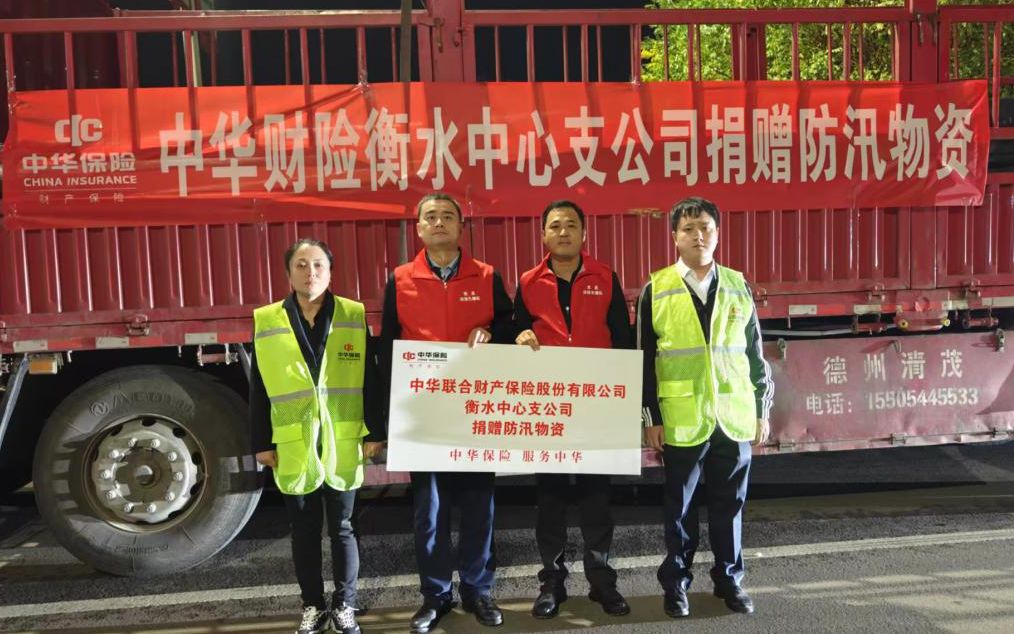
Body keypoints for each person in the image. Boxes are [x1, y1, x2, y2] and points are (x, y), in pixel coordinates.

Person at [379, 193, 514, 633]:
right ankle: (435, 595)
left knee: (478, 506)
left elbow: (512, 328)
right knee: (430, 511)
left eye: (447, 217)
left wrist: (490, 331)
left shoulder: (487, 276)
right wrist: (390, 417)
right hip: (423, 413)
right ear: (418, 228)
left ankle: (478, 590)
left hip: (475, 410)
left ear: (461, 227)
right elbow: (388, 347)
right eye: (430, 217)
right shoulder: (401, 279)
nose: (439, 223)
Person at [638, 197, 774, 618]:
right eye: (688, 229)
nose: (698, 236)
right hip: (682, 418)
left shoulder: (737, 285)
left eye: (706, 228)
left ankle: (729, 580)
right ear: (674, 237)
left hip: (732, 418)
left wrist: (761, 410)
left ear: (717, 234)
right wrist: (651, 418)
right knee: (679, 509)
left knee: (729, 505)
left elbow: (754, 354)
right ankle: (676, 584)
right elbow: (643, 360)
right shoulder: (655, 288)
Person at [250, 238, 385, 634]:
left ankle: (345, 605)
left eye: (319, 265)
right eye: (301, 265)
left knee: (343, 528)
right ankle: (312, 605)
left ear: (330, 272)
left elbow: (370, 378)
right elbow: (259, 386)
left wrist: (375, 432)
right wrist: (261, 442)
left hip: (343, 438)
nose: (310, 273)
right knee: (304, 532)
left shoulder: (352, 315)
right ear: (288, 273)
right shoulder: (268, 319)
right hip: (294, 442)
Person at [513, 200, 633, 619]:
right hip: (549, 407)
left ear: (584, 233)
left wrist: (627, 405)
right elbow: (514, 331)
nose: (563, 232)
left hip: (596, 406)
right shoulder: (528, 282)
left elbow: (623, 339)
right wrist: (520, 334)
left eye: (570, 225)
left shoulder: (605, 276)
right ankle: (552, 583)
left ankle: (602, 582)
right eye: (554, 226)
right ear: (543, 235)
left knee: (597, 498)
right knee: (550, 500)